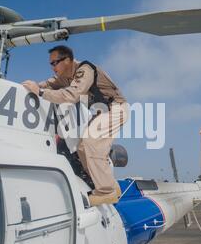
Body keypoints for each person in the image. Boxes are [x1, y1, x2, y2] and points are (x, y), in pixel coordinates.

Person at [22, 46, 128, 206]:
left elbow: (71, 96)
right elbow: (47, 84)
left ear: (67, 61)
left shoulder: (84, 70)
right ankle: (113, 186)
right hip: (102, 112)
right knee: (82, 148)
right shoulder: (63, 77)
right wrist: (30, 87)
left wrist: (41, 93)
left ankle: (107, 192)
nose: (52, 67)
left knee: (91, 141)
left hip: (116, 108)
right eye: (51, 64)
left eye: (54, 63)